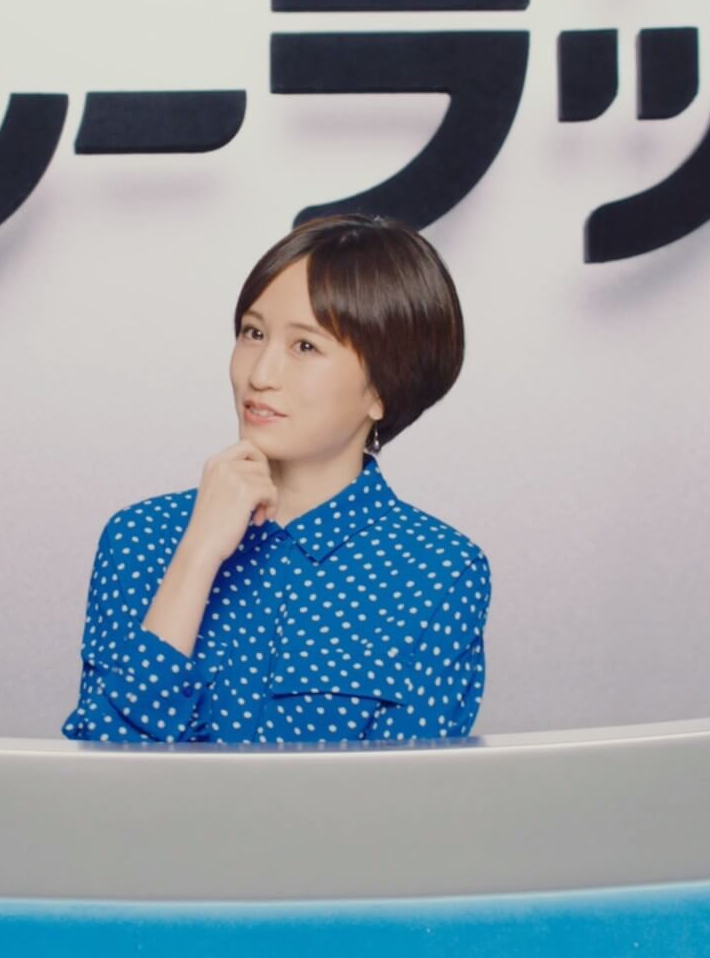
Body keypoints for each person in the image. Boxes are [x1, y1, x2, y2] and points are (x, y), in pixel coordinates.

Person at [60, 214, 491, 744]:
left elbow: (404, 789)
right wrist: (197, 554)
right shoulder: (141, 537)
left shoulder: (439, 571)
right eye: (253, 333)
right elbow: (104, 763)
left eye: (305, 347)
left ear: (384, 389)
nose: (259, 375)